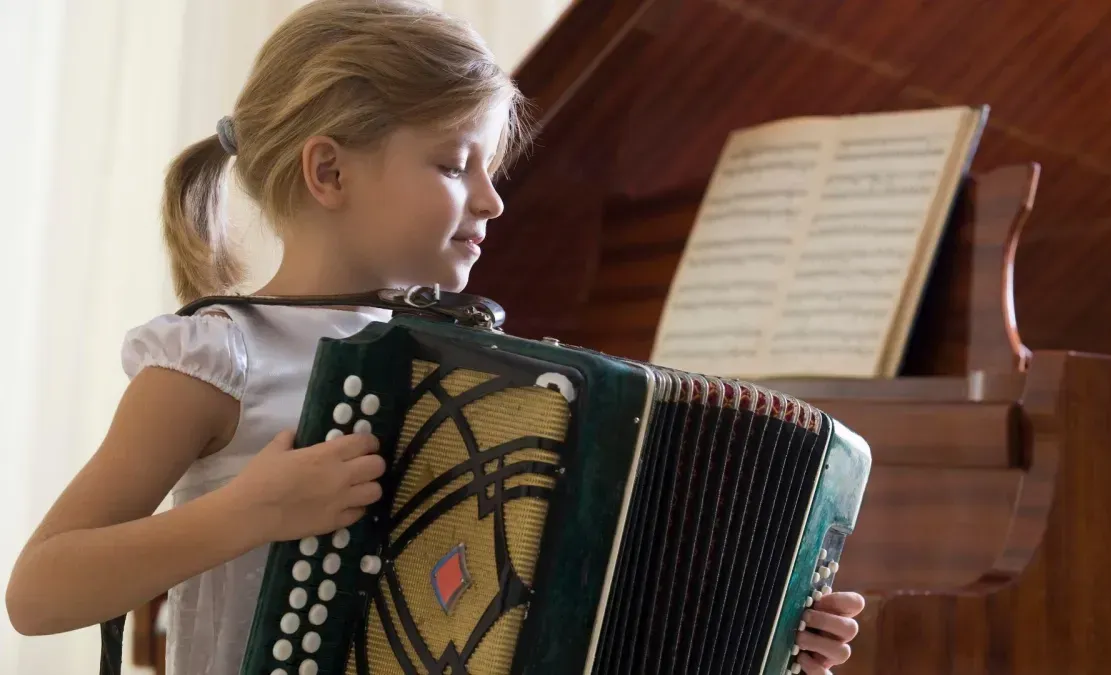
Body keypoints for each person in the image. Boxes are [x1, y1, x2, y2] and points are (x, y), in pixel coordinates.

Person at [3, 1, 864, 673]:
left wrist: (767, 623)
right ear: (330, 170)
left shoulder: (487, 378)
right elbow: (38, 591)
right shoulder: (219, 355)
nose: (492, 201)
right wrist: (250, 512)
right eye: (456, 166)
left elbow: (575, 593)